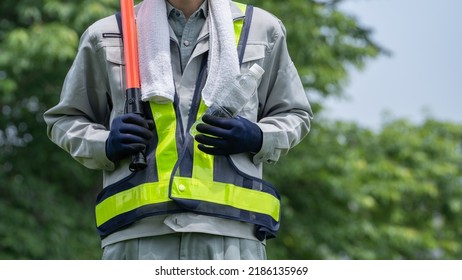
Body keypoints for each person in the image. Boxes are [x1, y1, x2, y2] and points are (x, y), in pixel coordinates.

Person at [44, 0, 313, 260]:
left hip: (232, 240)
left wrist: (258, 137)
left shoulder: (263, 29)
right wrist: (104, 144)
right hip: (136, 238)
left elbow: (294, 115)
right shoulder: (107, 34)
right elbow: (65, 119)